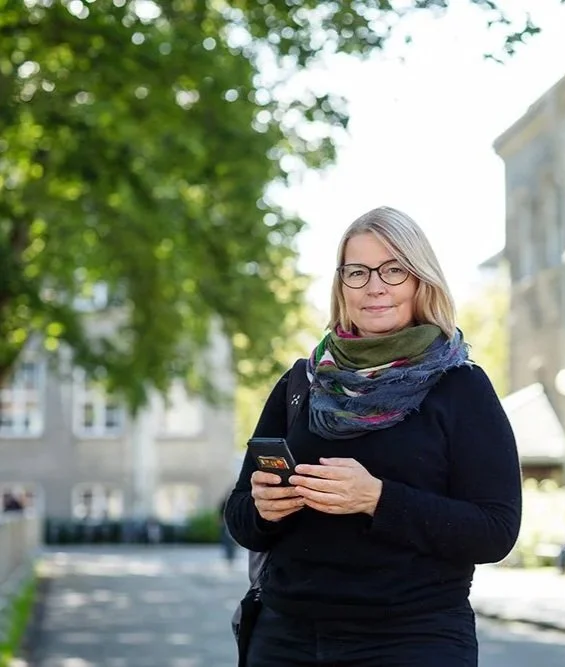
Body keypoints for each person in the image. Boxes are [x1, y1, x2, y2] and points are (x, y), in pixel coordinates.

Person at [224, 206, 522, 667]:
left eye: (393, 269)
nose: (375, 286)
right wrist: (264, 509)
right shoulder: (301, 384)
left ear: (421, 281)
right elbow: (242, 517)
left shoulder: (461, 387)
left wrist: (378, 499)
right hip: (286, 639)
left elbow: (495, 531)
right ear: (341, 285)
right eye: (357, 272)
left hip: (410, 640)